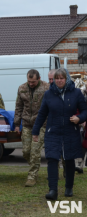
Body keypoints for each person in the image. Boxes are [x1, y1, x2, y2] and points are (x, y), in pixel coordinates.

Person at [32, 68, 87, 200]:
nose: (59, 80)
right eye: (57, 78)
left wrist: (79, 118)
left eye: (62, 78)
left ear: (66, 78)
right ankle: (53, 190)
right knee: (52, 159)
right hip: (53, 132)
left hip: (70, 131)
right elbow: (41, 114)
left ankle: (69, 187)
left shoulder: (76, 93)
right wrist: (35, 131)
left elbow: (85, 111)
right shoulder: (48, 94)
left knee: (68, 160)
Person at [14, 69, 49, 187]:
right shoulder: (21, 88)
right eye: (29, 81)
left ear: (38, 79)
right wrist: (17, 124)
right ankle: (35, 166)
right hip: (26, 124)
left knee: (35, 151)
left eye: (33, 82)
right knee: (25, 151)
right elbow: (18, 107)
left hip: (41, 124)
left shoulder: (46, 88)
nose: (31, 84)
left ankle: (32, 176)